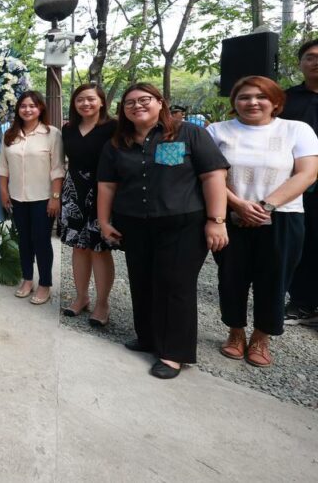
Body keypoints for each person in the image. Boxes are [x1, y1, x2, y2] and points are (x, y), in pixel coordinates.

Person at [98, 82, 230, 380]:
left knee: (175, 286)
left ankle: (173, 353)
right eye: (129, 103)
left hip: (182, 225)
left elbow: (213, 176)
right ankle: (147, 337)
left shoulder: (189, 133)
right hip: (135, 224)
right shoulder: (117, 143)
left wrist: (217, 220)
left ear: (160, 102)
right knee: (142, 281)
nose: (137, 106)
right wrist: (104, 221)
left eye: (144, 99)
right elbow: (107, 185)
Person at [207, 76, 318, 367]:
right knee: (231, 277)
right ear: (234, 101)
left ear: (276, 101)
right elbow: (208, 174)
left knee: (275, 279)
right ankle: (235, 332)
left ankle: (261, 337)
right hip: (231, 215)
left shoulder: (297, 130)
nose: (252, 102)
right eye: (244, 97)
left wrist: (265, 206)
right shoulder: (217, 131)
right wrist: (238, 204)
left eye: (261, 97)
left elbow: (307, 173)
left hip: (283, 216)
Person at [57, 84, 117, 326]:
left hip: (103, 190)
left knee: (99, 248)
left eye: (91, 99)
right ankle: (81, 297)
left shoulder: (113, 127)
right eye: (80, 99)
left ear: (101, 101)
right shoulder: (68, 129)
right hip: (73, 191)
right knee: (78, 246)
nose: (85, 103)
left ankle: (102, 303)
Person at [0, 91, 65, 305]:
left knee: (41, 241)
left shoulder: (52, 134)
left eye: (32, 106)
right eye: (23, 106)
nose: (27, 110)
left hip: (43, 198)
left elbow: (57, 169)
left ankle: (45, 284)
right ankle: (27, 279)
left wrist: (55, 197)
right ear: (18, 109)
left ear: (40, 108)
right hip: (17, 197)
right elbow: (3, 168)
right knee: (24, 240)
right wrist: (4, 192)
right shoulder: (10, 135)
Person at [281, 38, 318, 327]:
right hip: (297, 182)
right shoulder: (285, 99)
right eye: (310, 56)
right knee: (302, 241)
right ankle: (303, 302)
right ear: (300, 63)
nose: (316, 62)